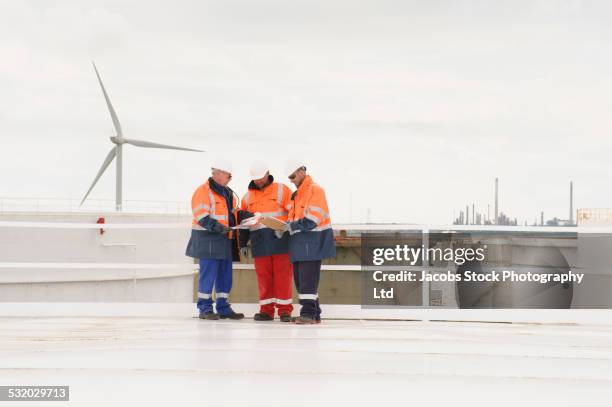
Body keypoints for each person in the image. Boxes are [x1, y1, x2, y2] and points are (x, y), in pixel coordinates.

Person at [185, 158, 244, 320]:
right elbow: (202, 216)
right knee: (208, 275)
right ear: (219, 174)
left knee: (225, 276)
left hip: (225, 240)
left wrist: (247, 217)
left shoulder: (228, 192)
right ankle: (204, 308)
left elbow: (233, 213)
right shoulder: (203, 191)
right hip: (208, 240)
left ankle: (223, 307)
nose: (230, 179)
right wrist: (220, 228)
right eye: (228, 176)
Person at [239, 161, 294, 322]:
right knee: (264, 278)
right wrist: (242, 243)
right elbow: (243, 222)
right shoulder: (247, 197)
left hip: (280, 239)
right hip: (259, 242)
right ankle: (266, 311)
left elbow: (294, 211)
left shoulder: (282, 190)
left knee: (283, 277)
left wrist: (285, 227)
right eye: (256, 179)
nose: (259, 181)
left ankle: (284, 311)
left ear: (268, 173)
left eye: (261, 178)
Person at [283, 160, 336, 324]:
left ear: (301, 172)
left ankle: (307, 313)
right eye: (289, 178)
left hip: (312, 244)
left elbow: (312, 220)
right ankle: (314, 313)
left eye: (292, 176)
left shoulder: (315, 190)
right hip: (299, 245)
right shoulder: (297, 195)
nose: (291, 180)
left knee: (307, 281)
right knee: (302, 282)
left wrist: (290, 226)